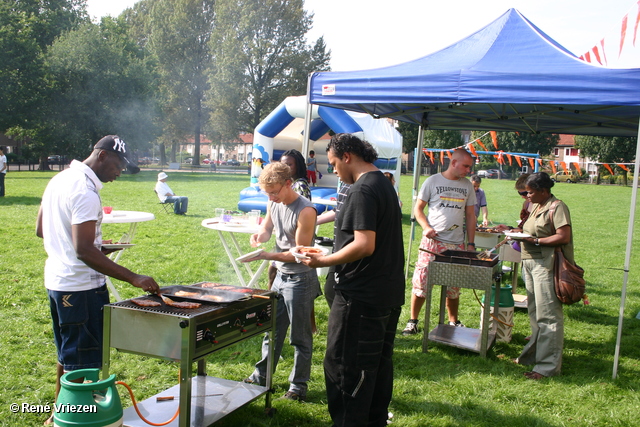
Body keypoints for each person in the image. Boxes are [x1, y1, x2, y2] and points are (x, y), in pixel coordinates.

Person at [36, 135, 160, 424]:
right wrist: (134, 277)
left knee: (66, 355)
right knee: (83, 363)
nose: (120, 172)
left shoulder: (60, 179)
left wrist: (97, 248)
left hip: (57, 283)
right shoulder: (85, 190)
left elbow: (43, 229)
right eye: (119, 165)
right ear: (103, 156)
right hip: (81, 289)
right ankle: (74, 420)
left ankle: (57, 414)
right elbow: (81, 249)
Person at [303, 133, 404, 427]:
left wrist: (322, 260)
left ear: (347, 156)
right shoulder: (383, 183)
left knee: (345, 369)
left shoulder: (362, 189)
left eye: (334, 163)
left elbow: (364, 245)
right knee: (376, 368)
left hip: (360, 297)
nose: (334, 170)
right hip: (386, 292)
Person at [241, 162, 319, 402]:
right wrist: (259, 237)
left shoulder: (306, 210)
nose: (272, 197)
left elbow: (299, 254)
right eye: (267, 193)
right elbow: (267, 228)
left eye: (275, 192)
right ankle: (261, 376)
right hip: (280, 278)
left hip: (300, 279)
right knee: (271, 331)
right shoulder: (272, 202)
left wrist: (266, 255)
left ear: (288, 183)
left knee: (300, 337)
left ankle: (298, 387)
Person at [403, 148, 476, 335]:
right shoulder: (432, 181)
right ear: (453, 163)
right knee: (422, 282)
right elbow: (418, 209)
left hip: (457, 243)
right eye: (466, 166)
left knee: (453, 285)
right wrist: (426, 227)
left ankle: (453, 321)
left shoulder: (467, 185)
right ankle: (413, 321)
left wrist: (471, 243)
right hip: (432, 244)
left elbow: (470, 215)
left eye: (470, 167)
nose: (468, 170)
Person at [514, 172, 573, 380]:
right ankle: (533, 357)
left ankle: (547, 367)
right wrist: (512, 231)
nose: (526, 195)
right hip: (530, 263)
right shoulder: (537, 205)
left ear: (543, 190)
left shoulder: (557, 206)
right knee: (535, 313)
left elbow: (563, 236)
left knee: (548, 316)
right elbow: (529, 230)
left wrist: (537, 242)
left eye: (530, 192)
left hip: (546, 264)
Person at [272, 149, 320, 334]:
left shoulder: (299, 186)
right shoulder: (278, 195)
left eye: (289, 164)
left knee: (301, 290)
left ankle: (305, 326)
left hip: (296, 247)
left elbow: (302, 214)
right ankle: (302, 325)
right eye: (283, 164)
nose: (286, 168)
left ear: (298, 165)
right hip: (289, 248)